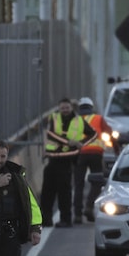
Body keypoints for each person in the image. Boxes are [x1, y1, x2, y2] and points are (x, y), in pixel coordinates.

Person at [39, 97, 96, 227]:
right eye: (62, 108)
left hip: (67, 161)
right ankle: (46, 219)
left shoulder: (79, 121)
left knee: (64, 192)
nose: (65, 110)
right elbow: (51, 134)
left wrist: (81, 144)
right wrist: (70, 142)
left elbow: (93, 134)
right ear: (59, 109)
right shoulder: (54, 118)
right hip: (53, 159)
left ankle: (66, 219)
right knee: (47, 192)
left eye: (67, 107)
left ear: (71, 108)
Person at [73, 97, 110, 223]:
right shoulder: (98, 118)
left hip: (79, 155)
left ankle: (77, 215)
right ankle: (89, 206)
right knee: (97, 182)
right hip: (96, 154)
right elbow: (109, 132)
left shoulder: (74, 120)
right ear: (91, 107)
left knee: (78, 184)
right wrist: (115, 149)